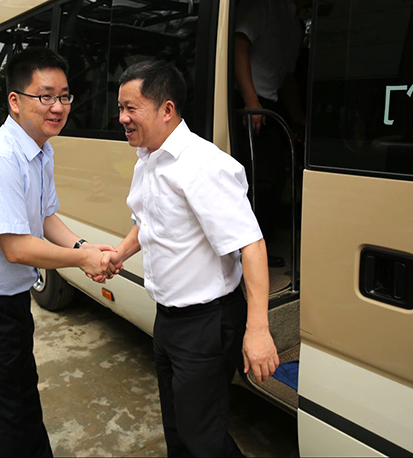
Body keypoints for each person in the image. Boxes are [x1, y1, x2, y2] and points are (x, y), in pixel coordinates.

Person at [92, 60, 279, 457]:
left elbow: (251, 245)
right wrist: (120, 253)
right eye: (120, 107)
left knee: (202, 438)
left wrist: (258, 330)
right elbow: (148, 222)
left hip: (206, 323)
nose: (121, 117)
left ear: (167, 109)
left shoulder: (202, 165)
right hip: (168, 319)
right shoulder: (148, 157)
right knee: (177, 429)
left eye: (130, 108)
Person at [0, 47, 115, 457]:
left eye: (64, 96)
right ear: (15, 102)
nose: (58, 107)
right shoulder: (0, 157)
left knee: (22, 401)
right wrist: (83, 260)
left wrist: (83, 246)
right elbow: (17, 247)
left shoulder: (40, 149)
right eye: (45, 96)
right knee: (5, 418)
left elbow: (46, 216)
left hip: (9, 298)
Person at [234, 0, 309, 267]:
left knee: (275, 176)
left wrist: (297, 117)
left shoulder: (296, 25)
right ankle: (249, 250)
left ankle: (259, 243)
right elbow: (239, 44)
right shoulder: (267, 6)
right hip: (250, 100)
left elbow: (287, 76)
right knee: (260, 178)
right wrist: (251, 101)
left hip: (270, 102)